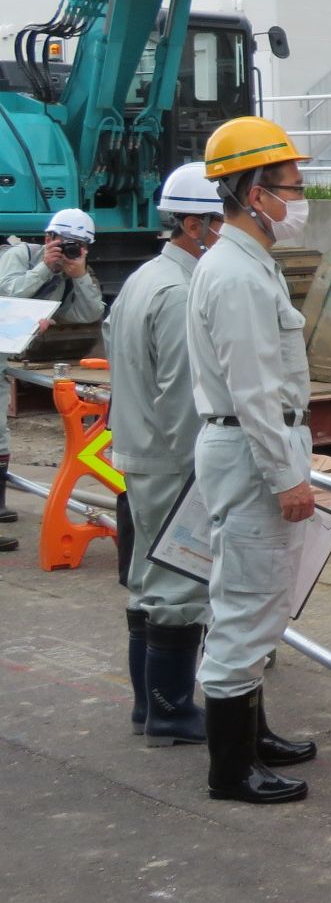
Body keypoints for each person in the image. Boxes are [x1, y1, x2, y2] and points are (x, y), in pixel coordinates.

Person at [187, 116, 318, 804]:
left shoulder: (244, 263)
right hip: (251, 448)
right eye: (292, 187)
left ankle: (254, 736)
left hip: (247, 444)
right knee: (246, 604)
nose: (300, 200)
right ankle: (231, 771)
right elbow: (254, 388)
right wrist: (286, 474)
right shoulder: (236, 275)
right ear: (254, 191)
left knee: (253, 598)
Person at [107, 164, 224, 744]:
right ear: (194, 223)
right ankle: (171, 710)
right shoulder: (180, 292)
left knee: (146, 579)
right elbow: (182, 396)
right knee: (179, 587)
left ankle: (146, 706)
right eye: (221, 222)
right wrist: (203, 475)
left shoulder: (144, 277)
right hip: (170, 457)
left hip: (136, 448)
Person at [0, 207, 105, 551]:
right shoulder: (21, 255)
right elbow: (7, 294)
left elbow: (87, 313)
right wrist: (44, 266)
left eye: (78, 246)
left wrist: (80, 274)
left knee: (0, 437)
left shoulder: (67, 276)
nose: (67, 250)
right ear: (48, 239)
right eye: (63, 243)